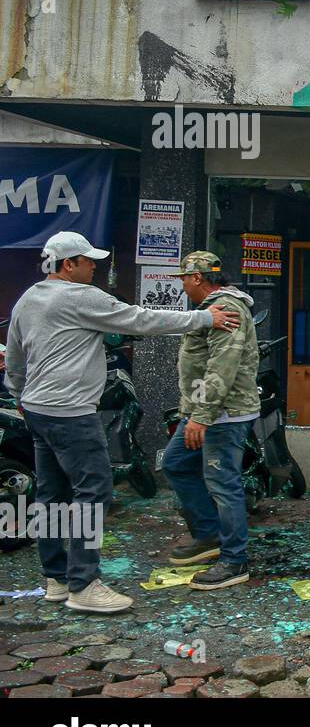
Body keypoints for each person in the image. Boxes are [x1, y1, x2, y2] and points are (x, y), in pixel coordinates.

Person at [2, 232, 242, 614]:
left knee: (51, 494)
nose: (94, 266)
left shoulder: (28, 299)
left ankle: (56, 579)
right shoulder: (81, 297)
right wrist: (204, 318)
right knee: (92, 493)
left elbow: (15, 358)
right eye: (88, 261)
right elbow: (140, 319)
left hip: (38, 410)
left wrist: (21, 396)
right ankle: (84, 585)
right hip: (72, 413)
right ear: (69, 265)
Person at [159, 252, 259, 590]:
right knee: (175, 463)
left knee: (222, 481)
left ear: (198, 278)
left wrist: (201, 417)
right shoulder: (208, 311)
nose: (183, 284)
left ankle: (234, 560)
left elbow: (222, 366)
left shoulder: (226, 308)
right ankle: (208, 534)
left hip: (222, 414)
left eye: (184, 278)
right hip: (203, 412)